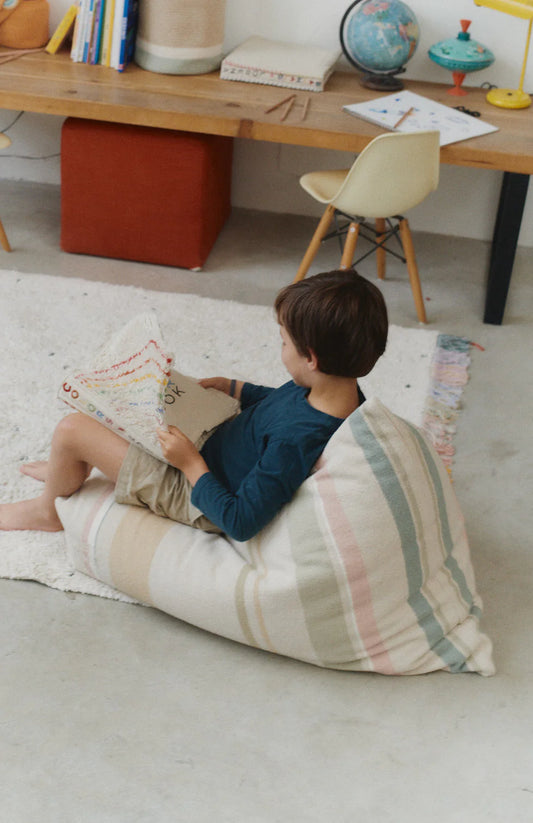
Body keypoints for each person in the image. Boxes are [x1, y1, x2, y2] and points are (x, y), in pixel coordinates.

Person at [0, 270, 388, 541]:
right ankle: (67, 470)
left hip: (194, 492)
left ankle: (47, 511)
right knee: (116, 401)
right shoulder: (334, 393)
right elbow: (280, 402)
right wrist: (234, 388)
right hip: (213, 443)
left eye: (284, 341)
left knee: (72, 429)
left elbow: (240, 521)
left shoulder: (294, 441)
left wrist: (189, 464)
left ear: (311, 358)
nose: (281, 348)